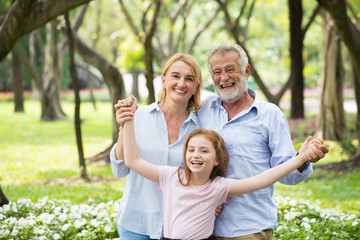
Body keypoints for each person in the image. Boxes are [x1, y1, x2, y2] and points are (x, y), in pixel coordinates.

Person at [120, 95, 328, 240]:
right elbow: (133, 161)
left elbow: (261, 180)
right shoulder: (171, 176)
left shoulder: (218, 187)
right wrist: (128, 119)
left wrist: (299, 158)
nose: (196, 155)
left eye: (204, 151)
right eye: (191, 150)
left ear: (217, 159)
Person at [197, 43, 329, 239]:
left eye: (230, 69)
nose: (223, 78)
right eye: (217, 72)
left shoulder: (269, 115)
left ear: (246, 71)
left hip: (248, 229)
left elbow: (288, 175)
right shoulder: (203, 109)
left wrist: (303, 159)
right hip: (202, 227)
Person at [110, 53, 203, 239]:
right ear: (164, 80)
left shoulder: (200, 128)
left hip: (179, 227)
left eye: (189, 79)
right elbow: (119, 169)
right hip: (136, 224)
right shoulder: (139, 116)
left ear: (196, 87)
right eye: (175, 76)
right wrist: (125, 124)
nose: (181, 83)